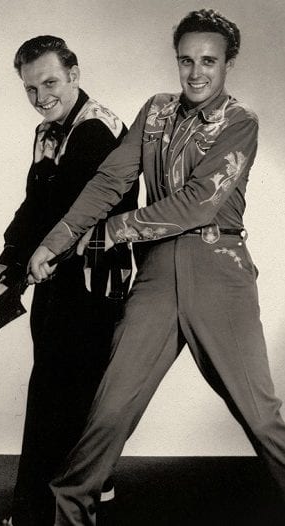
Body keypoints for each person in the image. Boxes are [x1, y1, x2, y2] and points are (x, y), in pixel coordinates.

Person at [27, 9, 285, 525]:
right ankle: (69, 512)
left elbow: (195, 204)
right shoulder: (157, 111)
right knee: (107, 414)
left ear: (228, 63)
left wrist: (111, 231)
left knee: (261, 419)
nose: (195, 72)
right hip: (155, 276)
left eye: (208, 61)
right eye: (186, 60)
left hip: (219, 270)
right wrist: (55, 242)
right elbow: (107, 181)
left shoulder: (241, 123)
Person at [0, 36, 137, 526]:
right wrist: (8, 261)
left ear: (73, 73)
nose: (40, 96)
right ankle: (67, 503)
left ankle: (34, 512)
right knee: (57, 393)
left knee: (60, 395)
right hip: (56, 275)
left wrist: (18, 269)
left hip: (94, 280)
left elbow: (68, 210)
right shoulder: (50, 129)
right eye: (30, 88)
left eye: (49, 82)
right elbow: (35, 203)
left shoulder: (94, 129)